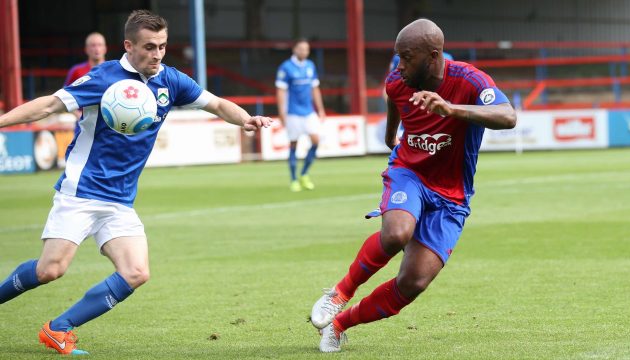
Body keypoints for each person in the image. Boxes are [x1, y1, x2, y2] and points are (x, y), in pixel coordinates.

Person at [0, 10, 272, 355]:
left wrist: (246, 119)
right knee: (50, 270)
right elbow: (49, 105)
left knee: (136, 272)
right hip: (82, 192)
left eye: (162, 46)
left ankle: (59, 328)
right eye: (148, 47)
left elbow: (215, 103)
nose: (157, 54)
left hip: (120, 201)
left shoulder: (170, 80)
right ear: (128, 46)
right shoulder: (104, 78)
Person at [310, 19, 516, 353]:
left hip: (452, 196)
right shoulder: (398, 81)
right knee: (396, 233)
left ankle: (339, 325)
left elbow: (508, 116)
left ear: (433, 56)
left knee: (414, 281)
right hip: (410, 173)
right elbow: (393, 100)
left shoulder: (469, 80)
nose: (399, 66)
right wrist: (392, 137)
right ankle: (339, 293)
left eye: (406, 58)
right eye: (398, 58)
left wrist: (451, 109)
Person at [275, 38, 326, 192]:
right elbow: (280, 91)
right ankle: (293, 180)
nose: (304, 52)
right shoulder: (286, 67)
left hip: (309, 111)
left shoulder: (310, 66)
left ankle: (304, 174)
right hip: (293, 113)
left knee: (316, 141)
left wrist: (321, 109)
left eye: (307, 49)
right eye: (301, 49)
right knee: (293, 145)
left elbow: (315, 88)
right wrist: (281, 113)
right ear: (294, 50)